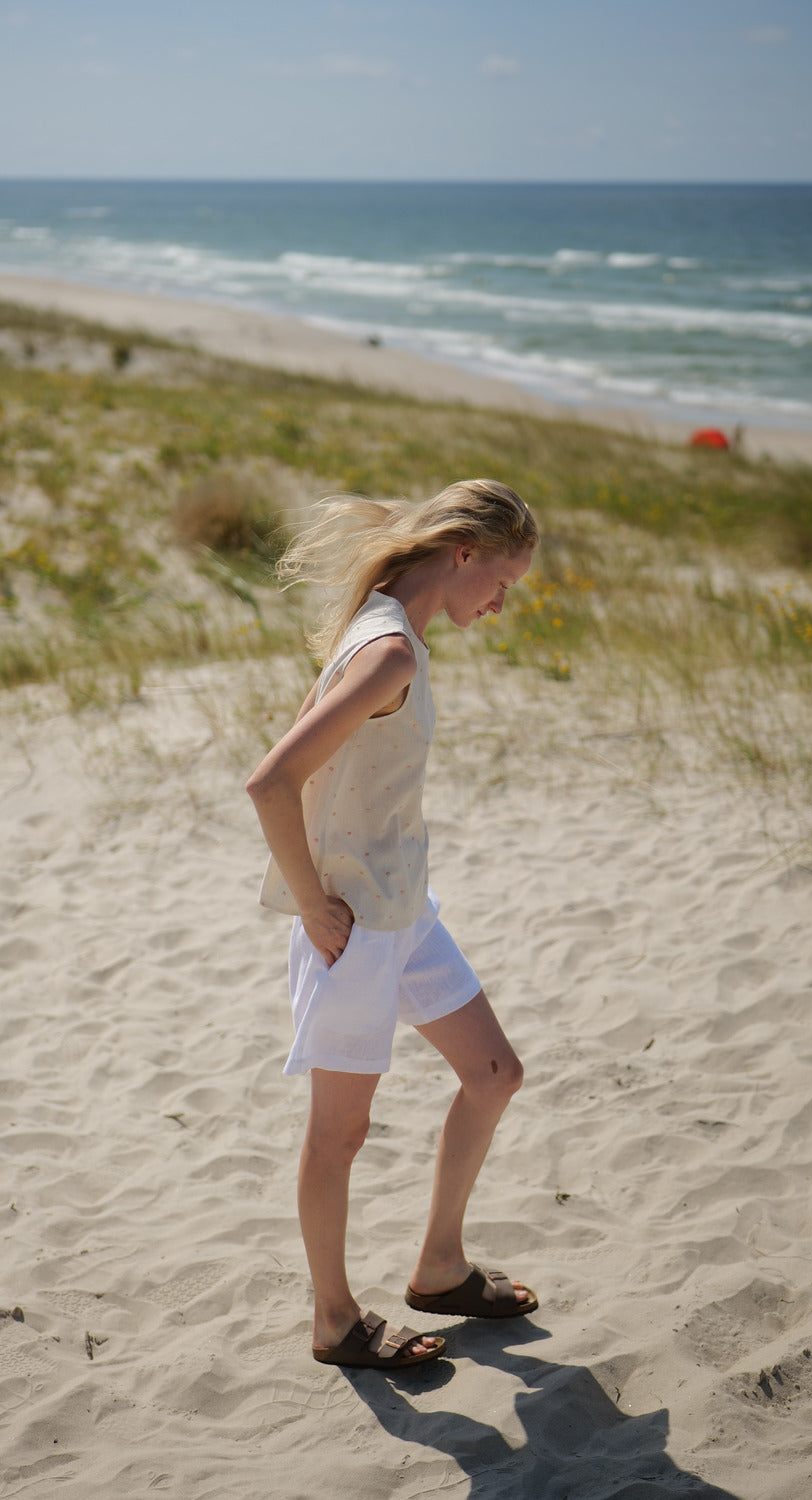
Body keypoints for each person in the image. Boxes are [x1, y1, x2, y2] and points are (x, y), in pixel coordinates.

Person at [246, 478, 540, 1371]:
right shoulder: (390, 653)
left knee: (494, 1074)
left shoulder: (385, 625)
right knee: (339, 1134)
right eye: (503, 581)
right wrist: (309, 903)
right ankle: (335, 1322)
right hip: (357, 930)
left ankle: (440, 1266)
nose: (501, 602)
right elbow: (271, 782)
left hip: (403, 910)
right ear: (463, 553)